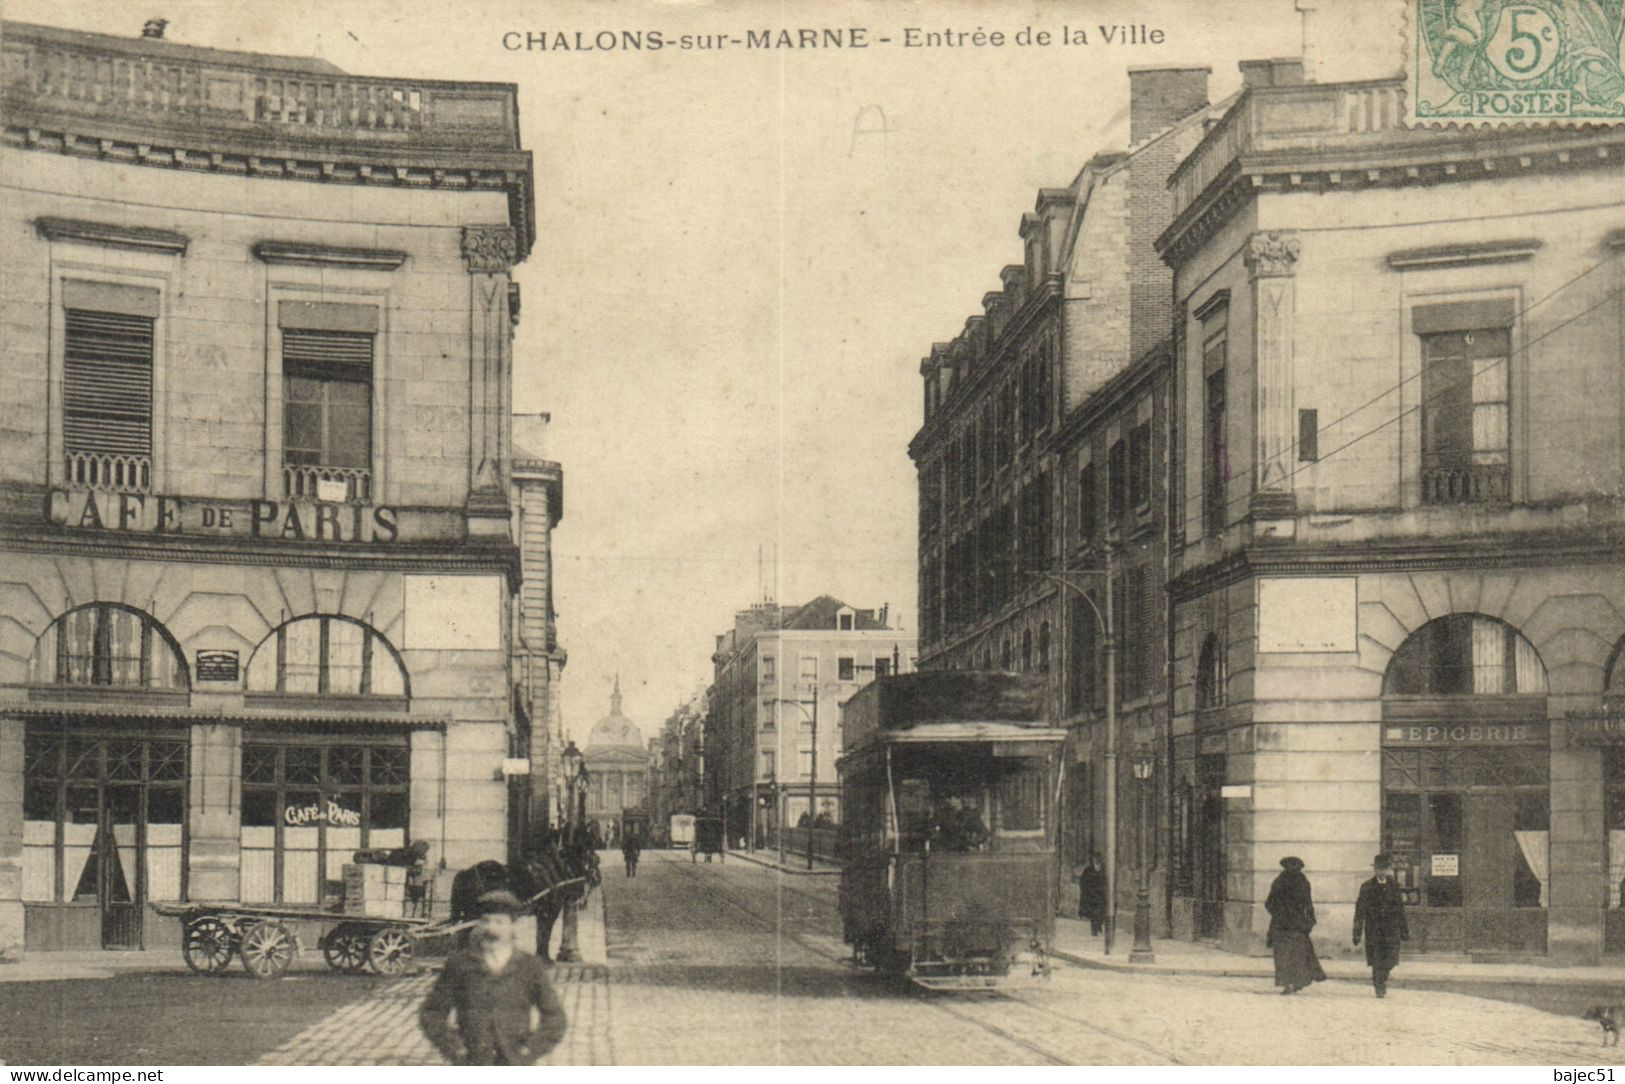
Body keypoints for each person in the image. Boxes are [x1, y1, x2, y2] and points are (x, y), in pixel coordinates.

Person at [419, 889, 568, 1065]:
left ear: (513, 926)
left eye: (499, 922)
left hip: (514, 1063)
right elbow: (432, 1012)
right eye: (485, 921)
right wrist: (455, 1048)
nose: (491, 929)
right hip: (472, 1062)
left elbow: (555, 1018)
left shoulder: (529, 966)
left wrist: (530, 1050)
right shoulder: (460, 965)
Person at [1265, 856, 1326, 995]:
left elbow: (1269, 904)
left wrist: (1279, 913)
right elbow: (1271, 903)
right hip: (1291, 926)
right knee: (1292, 957)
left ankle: (1292, 983)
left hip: (1288, 926)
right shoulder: (1297, 881)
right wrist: (1307, 921)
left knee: (1289, 956)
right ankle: (1293, 983)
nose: (1292, 869)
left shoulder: (1284, 881)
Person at [1353, 852, 1410, 998]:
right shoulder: (1366, 887)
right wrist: (1357, 933)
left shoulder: (1394, 886)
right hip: (1374, 930)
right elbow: (1360, 911)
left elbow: (1400, 909)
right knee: (1377, 960)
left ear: (1389, 869)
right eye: (1379, 869)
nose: (1382, 872)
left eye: (1385, 868)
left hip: (1392, 930)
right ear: (1375, 870)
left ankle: (1382, 979)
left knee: (1391, 959)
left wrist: (1404, 930)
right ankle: (1379, 986)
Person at [1077, 851, 1108, 936]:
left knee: (1101, 912)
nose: (1097, 860)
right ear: (1093, 860)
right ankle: (1094, 929)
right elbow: (1083, 881)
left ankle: (1099, 925)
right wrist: (1086, 891)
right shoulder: (1088, 870)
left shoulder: (1104, 869)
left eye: (1098, 858)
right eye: (1095, 858)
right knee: (1094, 913)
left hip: (1101, 895)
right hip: (1092, 895)